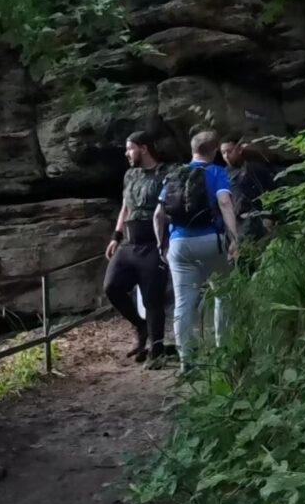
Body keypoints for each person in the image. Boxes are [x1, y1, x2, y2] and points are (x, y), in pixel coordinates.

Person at [153, 127, 243, 369]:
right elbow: (225, 203)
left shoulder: (174, 175)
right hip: (211, 241)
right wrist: (234, 238)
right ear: (214, 151)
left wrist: (162, 244)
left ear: (192, 149)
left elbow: (158, 215)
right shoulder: (216, 172)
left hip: (179, 244)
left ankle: (187, 361)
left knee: (183, 303)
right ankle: (224, 351)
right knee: (223, 295)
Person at [102, 131, 173, 362]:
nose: (126, 153)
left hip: (153, 243)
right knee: (112, 287)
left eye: (130, 148)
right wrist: (116, 235)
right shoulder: (130, 175)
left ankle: (157, 350)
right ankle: (140, 326)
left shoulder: (166, 173)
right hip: (129, 242)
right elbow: (125, 207)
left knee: (153, 299)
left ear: (143, 148)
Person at [220, 138, 278, 244]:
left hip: (260, 220)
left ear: (239, 150)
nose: (226, 156)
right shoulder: (223, 176)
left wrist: (270, 217)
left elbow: (272, 191)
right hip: (239, 225)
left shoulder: (255, 168)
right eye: (223, 153)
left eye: (229, 151)